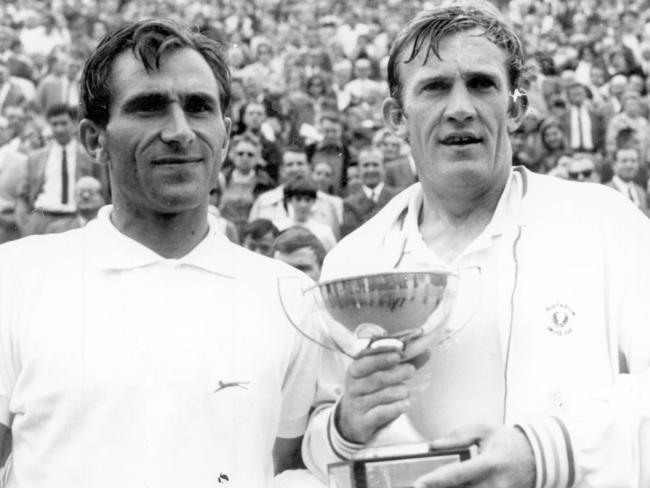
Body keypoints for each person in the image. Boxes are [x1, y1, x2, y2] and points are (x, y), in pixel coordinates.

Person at [302, 2, 650, 487]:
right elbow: (315, 449)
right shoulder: (354, 260)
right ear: (396, 118)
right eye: (435, 87)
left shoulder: (605, 224)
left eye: (481, 84)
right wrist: (346, 425)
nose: (460, 107)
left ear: (517, 108)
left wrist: (547, 454)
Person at [0, 19, 318, 487]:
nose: (180, 131)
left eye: (199, 107)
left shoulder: (290, 296)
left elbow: (286, 463)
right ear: (95, 140)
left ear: (226, 135)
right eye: (149, 108)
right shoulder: (17, 278)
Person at [14, 104, 102, 235]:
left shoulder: (88, 156)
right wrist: (25, 224)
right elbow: (22, 195)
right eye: (54, 124)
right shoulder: (36, 158)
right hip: (41, 218)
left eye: (63, 123)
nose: (59, 129)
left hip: (74, 219)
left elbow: (102, 190)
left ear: (73, 124)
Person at [341, 146, 399, 237]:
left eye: (375, 165)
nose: (370, 170)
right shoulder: (350, 203)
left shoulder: (398, 196)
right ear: (359, 170)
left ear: (384, 169)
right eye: (366, 165)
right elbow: (351, 236)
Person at [273, 176, 337, 252]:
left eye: (307, 200)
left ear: (313, 201)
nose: (303, 205)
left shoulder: (324, 232)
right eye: (298, 199)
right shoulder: (278, 227)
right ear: (290, 200)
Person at [605, 146, 649, 215]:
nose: (629, 165)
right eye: (624, 161)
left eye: (633, 161)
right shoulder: (606, 191)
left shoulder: (641, 192)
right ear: (614, 165)